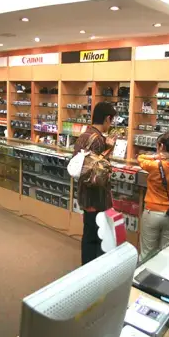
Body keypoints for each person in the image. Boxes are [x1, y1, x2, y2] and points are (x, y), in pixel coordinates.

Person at [73, 102, 117, 265]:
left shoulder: (84, 135)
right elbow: (99, 171)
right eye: (111, 121)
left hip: (85, 193)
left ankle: (86, 268)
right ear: (107, 118)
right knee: (97, 238)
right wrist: (109, 149)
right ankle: (91, 272)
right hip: (96, 197)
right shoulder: (98, 139)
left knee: (89, 234)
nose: (110, 124)